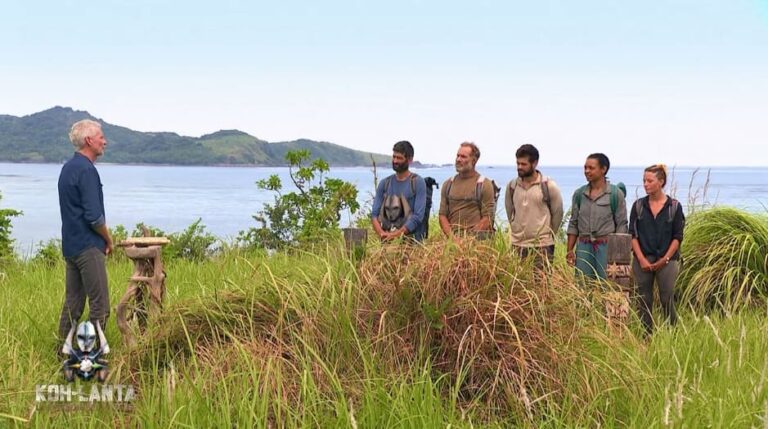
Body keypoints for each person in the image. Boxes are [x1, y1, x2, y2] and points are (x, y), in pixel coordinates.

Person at [58, 119, 114, 344]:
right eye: (101, 137)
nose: (105, 141)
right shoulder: (86, 170)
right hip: (88, 247)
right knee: (101, 308)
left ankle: (62, 351)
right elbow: (94, 217)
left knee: (73, 305)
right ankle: (91, 355)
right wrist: (108, 239)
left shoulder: (68, 167)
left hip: (71, 246)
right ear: (89, 140)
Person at [630, 164, 684, 335]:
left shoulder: (674, 206)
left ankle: (672, 334)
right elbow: (633, 235)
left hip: (667, 259)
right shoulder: (638, 206)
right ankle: (646, 336)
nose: (645, 184)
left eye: (650, 181)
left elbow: (677, 237)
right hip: (643, 258)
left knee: (666, 298)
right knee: (643, 299)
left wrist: (665, 259)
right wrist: (641, 259)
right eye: (644, 180)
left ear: (661, 182)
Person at [566, 153, 628, 280]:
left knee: (608, 285)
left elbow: (622, 224)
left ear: (603, 169)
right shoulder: (579, 194)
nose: (587, 171)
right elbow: (574, 223)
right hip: (584, 247)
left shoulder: (615, 194)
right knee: (583, 285)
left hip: (606, 247)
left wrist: (617, 254)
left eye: (591, 168)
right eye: (585, 168)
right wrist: (570, 250)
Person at [504, 144, 564, 265]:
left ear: (535, 163)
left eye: (524, 164)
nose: (519, 167)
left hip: (542, 246)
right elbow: (510, 211)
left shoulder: (548, 186)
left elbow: (558, 213)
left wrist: (547, 235)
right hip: (517, 244)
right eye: (518, 163)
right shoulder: (512, 186)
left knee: (541, 283)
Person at [371, 140, 427, 242]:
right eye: (394, 157)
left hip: (411, 244)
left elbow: (418, 216)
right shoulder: (384, 183)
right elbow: (374, 213)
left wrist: (395, 235)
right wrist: (382, 233)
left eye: (399, 158)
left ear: (409, 160)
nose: (395, 161)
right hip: (387, 244)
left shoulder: (417, 182)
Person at [439, 142, 497, 238]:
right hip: (451, 241)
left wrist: (469, 241)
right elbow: (442, 215)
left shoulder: (484, 184)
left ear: (473, 161)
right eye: (457, 156)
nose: (458, 159)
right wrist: (453, 239)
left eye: (463, 157)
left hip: (476, 243)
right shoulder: (448, 184)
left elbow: (488, 218)